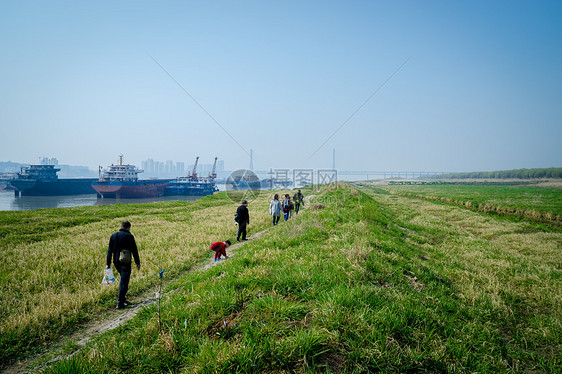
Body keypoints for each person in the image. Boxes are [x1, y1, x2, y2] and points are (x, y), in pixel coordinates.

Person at [106, 221, 141, 309]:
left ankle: (123, 299)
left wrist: (108, 263)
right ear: (128, 228)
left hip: (116, 261)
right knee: (124, 281)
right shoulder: (129, 236)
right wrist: (138, 263)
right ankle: (120, 302)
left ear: (121, 226)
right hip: (125, 261)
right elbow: (134, 250)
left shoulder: (113, 235)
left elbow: (109, 250)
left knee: (123, 279)